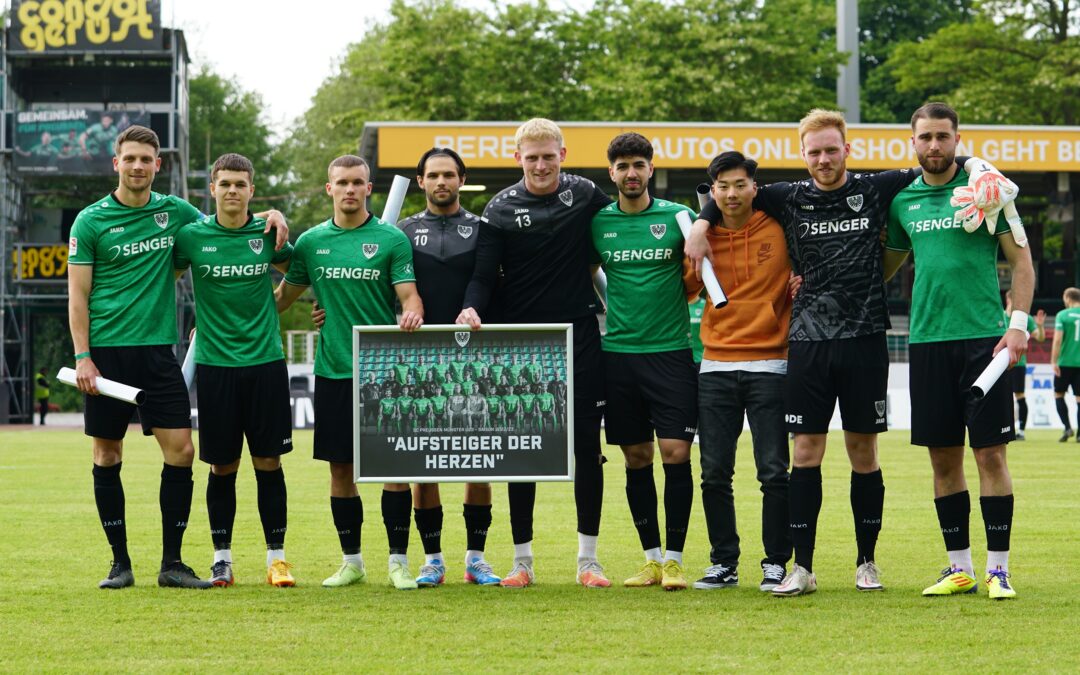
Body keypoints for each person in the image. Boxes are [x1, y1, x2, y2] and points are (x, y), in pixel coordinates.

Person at [67, 125, 286, 590]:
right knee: (107, 453)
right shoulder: (89, 221)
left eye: (147, 159)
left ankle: (172, 563)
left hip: (158, 351)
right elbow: (78, 295)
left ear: (158, 165)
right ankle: (119, 563)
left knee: (183, 451)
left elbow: (226, 221)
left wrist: (271, 212)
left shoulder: (175, 213)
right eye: (131, 159)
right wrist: (82, 355)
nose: (139, 166)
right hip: (105, 354)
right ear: (117, 163)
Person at [458, 118, 613, 588]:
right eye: (532, 157)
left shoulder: (586, 193)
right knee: (522, 449)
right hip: (521, 342)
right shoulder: (500, 209)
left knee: (586, 447)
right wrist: (470, 307)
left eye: (549, 155)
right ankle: (522, 562)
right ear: (518, 159)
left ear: (563, 154)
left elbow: (623, 226)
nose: (541, 164)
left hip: (579, 334)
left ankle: (589, 561)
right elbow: (485, 275)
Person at [884, 102, 1030, 600]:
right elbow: (884, 266)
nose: (934, 146)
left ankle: (999, 570)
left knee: (990, 454)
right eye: (925, 137)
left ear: (957, 137)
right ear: (913, 141)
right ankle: (959, 568)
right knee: (943, 460)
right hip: (926, 343)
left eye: (943, 137)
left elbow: (1023, 263)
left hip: (983, 342)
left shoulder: (987, 190)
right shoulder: (902, 200)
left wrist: (1018, 327)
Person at [275, 154, 423, 590]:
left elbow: (410, 296)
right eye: (342, 182)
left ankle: (398, 562)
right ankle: (352, 561)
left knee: (394, 469)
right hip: (335, 371)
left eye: (358, 182)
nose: (350, 190)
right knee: (341, 470)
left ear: (368, 188)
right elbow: (282, 298)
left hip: (384, 374)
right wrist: (217, 317)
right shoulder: (311, 243)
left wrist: (411, 315)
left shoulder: (392, 239)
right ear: (329, 188)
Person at [174, 153, 295, 588]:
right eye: (224, 183)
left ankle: (277, 559)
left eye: (240, 184)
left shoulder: (267, 233)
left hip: (264, 362)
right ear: (212, 189)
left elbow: (300, 271)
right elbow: (162, 278)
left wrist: (281, 302)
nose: (232, 191)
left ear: (251, 191)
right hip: (214, 366)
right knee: (222, 466)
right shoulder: (191, 236)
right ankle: (221, 558)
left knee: (268, 461)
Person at [589, 132, 697, 591]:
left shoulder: (678, 216)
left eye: (638, 165)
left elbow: (699, 272)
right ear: (610, 172)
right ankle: (650, 560)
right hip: (619, 357)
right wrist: (610, 303)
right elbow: (586, 270)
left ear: (651, 169)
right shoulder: (598, 222)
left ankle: (674, 561)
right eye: (622, 166)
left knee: (676, 452)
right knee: (636, 456)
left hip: (672, 354)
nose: (630, 173)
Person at [685, 151, 794, 593]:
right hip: (715, 365)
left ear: (754, 186)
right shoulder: (699, 237)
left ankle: (775, 562)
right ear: (713, 192)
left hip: (771, 362)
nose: (731, 194)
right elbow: (688, 288)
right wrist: (695, 237)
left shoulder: (780, 226)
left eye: (739, 184)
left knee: (773, 471)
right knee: (713, 472)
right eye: (722, 186)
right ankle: (723, 562)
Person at [1004, 290, 1045, 440]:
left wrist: (1040, 326)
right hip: (999, 364)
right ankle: (1004, 429)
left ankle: (1021, 430)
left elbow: (1040, 338)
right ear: (1008, 300)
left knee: (1020, 395)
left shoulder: (1025, 319)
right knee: (1001, 397)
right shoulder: (999, 316)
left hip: (1018, 363)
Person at [1051, 287, 1080, 441]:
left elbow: (1057, 340)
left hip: (1065, 363)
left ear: (1068, 298)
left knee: (1058, 394)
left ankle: (1068, 428)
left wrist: (1054, 361)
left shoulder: (1062, 315)